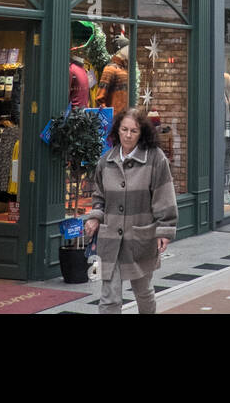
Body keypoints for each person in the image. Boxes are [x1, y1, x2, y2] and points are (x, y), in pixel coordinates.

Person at [83, 108, 177, 314]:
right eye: (124, 129)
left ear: (141, 133)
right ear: (117, 130)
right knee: (109, 298)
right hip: (110, 240)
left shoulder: (155, 159)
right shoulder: (105, 161)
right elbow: (99, 196)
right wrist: (95, 217)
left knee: (142, 291)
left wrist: (165, 229)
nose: (127, 135)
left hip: (140, 238)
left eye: (133, 131)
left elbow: (164, 196)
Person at [100, 46, 130, 113]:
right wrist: (108, 116)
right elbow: (100, 98)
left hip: (123, 116)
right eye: (127, 48)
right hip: (115, 118)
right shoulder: (110, 69)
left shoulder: (124, 69)